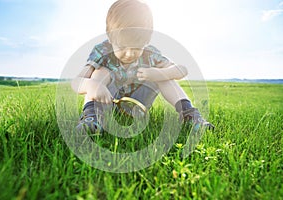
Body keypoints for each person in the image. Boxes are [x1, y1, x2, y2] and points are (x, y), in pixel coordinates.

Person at [71, 0, 214, 133]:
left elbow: (182, 70)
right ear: (110, 37)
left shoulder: (150, 54)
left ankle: (189, 114)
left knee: (164, 74)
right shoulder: (102, 51)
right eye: (122, 47)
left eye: (137, 47)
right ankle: (92, 116)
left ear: (147, 40)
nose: (129, 54)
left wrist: (158, 74)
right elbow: (76, 82)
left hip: (138, 105)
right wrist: (92, 86)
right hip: (107, 101)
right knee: (100, 72)